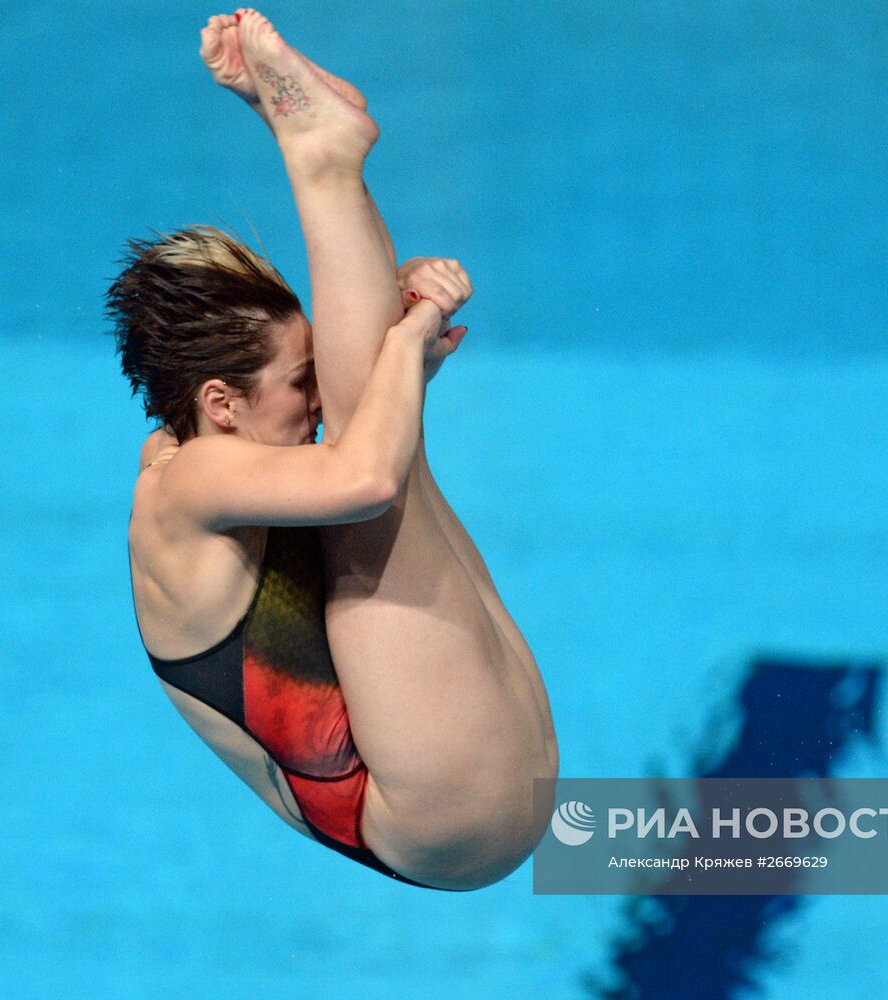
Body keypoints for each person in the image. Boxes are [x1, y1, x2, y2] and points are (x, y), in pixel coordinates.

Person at [110, 9, 557, 891]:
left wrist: (405, 359)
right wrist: (409, 331)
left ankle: (321, 154)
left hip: (458, 795)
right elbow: (365, 474)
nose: (313, 397)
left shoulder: (206, 449)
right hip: (433, 819)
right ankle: (320, 160)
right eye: (296, 379)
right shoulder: (186, 484)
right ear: (219, 403)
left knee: (381, 439)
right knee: (376, 463)